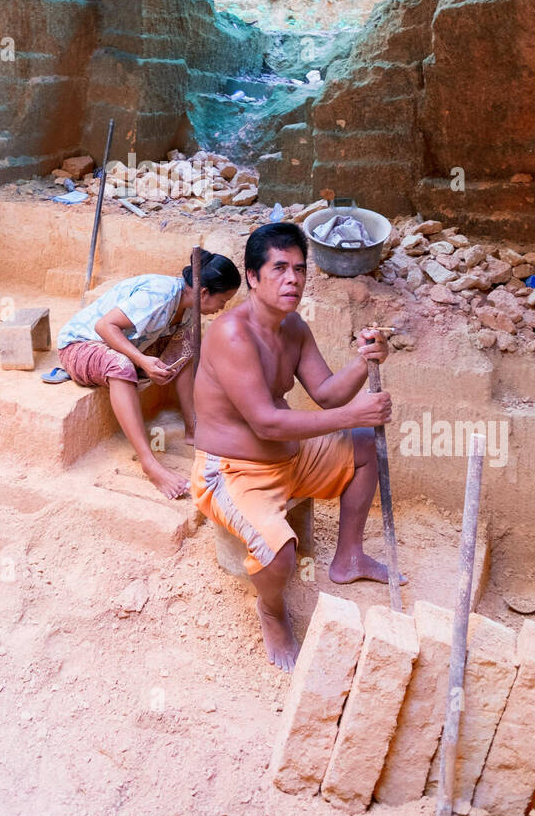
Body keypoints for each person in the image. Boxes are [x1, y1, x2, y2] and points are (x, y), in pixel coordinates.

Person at [191, 221, 404, 672]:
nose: (293, 280)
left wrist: (365, 361)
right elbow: (267, 423)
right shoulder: (232, 335)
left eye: (300, 270)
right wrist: (353, 415)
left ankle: (348, 557)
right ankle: (270, 610)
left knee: (363, 445)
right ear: (252, 277)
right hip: (233, 470)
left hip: (290, 458)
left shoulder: (293, 327)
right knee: (279, 553)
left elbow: (326, 392)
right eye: (280, 269)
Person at [57, 253, 241, 499]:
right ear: (204, 292)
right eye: (223, 300)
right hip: (80, 346)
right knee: (120, 363)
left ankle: (192, 426)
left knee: (187, 341)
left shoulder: (186, 309)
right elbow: (104, 326)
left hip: (112, 344)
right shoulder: (161, 294)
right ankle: (149, 463)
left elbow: (182, 354)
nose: (222, 307)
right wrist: (142, 361)